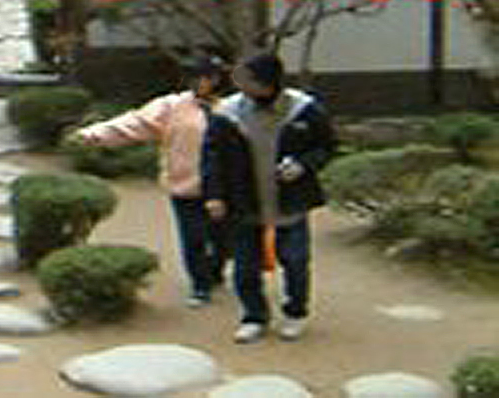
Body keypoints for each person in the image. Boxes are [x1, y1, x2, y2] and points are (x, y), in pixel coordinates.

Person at [68, 53, 232, 306]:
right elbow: (134, 123)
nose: (202, 82)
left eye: (208, 77)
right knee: (193, 237)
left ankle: (215, 270)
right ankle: (200, 284)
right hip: (185, 183)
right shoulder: (171, 106)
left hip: (225, 186)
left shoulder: (234, 107)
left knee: (223, 236)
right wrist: (92, 135)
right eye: (197, 77)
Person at [202, 53, 336, 344]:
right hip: (243, 199)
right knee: (245, 265)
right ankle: (254, 316)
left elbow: (326, 145)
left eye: (246, 79)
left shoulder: (303, 109)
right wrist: (213, 195)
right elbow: (212, 158)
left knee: (296, 260)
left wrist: (303, 164)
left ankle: (295, 312)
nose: (239, 85)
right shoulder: (228, 112)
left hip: (289, 198)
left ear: (267, 82)